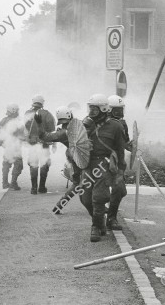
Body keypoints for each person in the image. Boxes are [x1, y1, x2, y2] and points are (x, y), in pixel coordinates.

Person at [80, 94, 125, 242]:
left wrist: (120, 172)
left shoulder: (115, 126)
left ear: (104, 109)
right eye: (90, 108)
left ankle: (95, 227)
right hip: (88, 165)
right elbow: (73, 146)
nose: (91, 112)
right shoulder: (84, 124)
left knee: (99, 197)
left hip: (104, 165)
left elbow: (120, 150)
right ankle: (100, 221)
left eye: (95, 109)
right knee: (85, 198)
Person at [35, 106, 84, 214]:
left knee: (77, 183)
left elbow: (44, 136)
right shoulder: (74, 128)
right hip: (84, 158)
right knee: (88, 182)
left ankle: (59, 206)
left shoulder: (62, 132)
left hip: (75, 158)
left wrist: (39, 124)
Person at [106, 95, 131, 231]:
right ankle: (106, 220)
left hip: (117, 162)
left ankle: (111, 217)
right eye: (117, 110)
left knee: (120, 190)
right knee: (100, 193)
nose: (120, 113)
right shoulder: (102, 123)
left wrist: (132, 146)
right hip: (103, 161)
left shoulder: (123, 124)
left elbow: (125, 143)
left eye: (121, 110)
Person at [24, 94, 56, 194]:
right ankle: (42, 187)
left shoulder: (27, 113)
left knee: (33, 165)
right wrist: (54, 144)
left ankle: (33, 188)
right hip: (44, 143)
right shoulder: (47, 114)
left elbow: (24, 129)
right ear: (42, 103)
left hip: (32, 144)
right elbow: (52, 130)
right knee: (44, 164)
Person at [0, 103, 24, 190]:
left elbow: (0, 133)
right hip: (16, 146)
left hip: (7, 146)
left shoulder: (3, 121)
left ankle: (4, 183)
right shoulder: (18, 122)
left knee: (6, 164)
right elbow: (22, 135)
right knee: (18, 165)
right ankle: (13, 183)